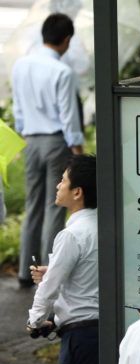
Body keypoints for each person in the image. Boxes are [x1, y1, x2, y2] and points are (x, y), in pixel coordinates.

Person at [26, 154, 97, 364]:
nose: (57, 185)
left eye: (63, 181)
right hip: (106, 334)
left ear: (78, 192)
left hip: (80, 340)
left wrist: (33, 319)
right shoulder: (105, 225)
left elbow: (49, 289)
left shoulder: (71, 234)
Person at [13, 13, 84, 288]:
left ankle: (24, 272)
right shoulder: (62, 72)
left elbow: (19, 111)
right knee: (55, 207)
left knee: (33, 206)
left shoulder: (21, 65)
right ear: (66, 40)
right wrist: (78, 152)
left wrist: (24, 137)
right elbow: (69, 118)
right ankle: (46, 273)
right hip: (56, 142)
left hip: (30, 140)